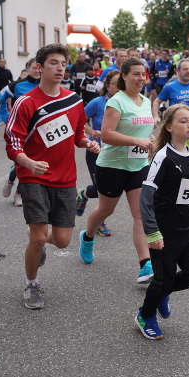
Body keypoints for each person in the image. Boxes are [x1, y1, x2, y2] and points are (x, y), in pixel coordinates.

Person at [5, 44, 100, 309]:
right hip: (33, 175)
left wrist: (87, 143)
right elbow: (13, 141)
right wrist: (27, 162)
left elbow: (78, 133)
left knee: (61, 240)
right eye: (53, 63)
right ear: (40, 67)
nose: (59, 68)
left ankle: (38, 248)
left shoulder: (74, 100)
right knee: (37, 235)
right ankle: (32, 283)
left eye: (63, 64)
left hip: (65, 178)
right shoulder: (27, 102)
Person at [136, 104, 189, 340]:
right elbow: (146, 197)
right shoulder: (162, 157)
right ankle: (145, 315)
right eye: (183, 121)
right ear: (169, 127)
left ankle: (161, 293)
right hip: (164, 231)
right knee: (162, 279)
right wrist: (152, 232)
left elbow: (187, 183)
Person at [78, 58, 156, 284]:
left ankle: (145, 265)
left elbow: (145, 131)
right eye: (136, 74)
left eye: (143, 74)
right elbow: (107, 134)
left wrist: (149, 142)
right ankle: (88, 236)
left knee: (141, 214)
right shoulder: (116, 102)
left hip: (138, 166)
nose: (141, 78)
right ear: (124, 76)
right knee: (105, 210)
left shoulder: (144, 100)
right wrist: (136, 141)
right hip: (112, 166)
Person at [77, 70, 121, 237]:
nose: (118, 88)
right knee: (102, 189)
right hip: (97, 151)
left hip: (117, 153)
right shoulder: (97, 102)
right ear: (107, 86)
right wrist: (91, 131)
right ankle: (100, 223)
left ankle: (84, 193)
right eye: (115, 85)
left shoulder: (127, 103)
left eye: (120, 85)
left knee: (113, 188)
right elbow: (79, 119)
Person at [0, 59, 41, 206]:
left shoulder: (46, 85)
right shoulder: (17, 85)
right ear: (27, 69)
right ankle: (11, 180)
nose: (37, 70)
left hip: (38, 132)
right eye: (33, 68)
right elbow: (0, 97)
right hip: (20, 130)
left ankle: (19, 193)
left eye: (39, 68)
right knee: (20, 161)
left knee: (30, 162)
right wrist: (5, 117)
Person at [157, 58, 189, 150]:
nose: (188, 71)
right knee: (178, 152)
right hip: (178, 126)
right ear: (177, 71)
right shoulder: (170, 86)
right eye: (185, 69)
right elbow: (157, 102)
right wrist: (155, 116)